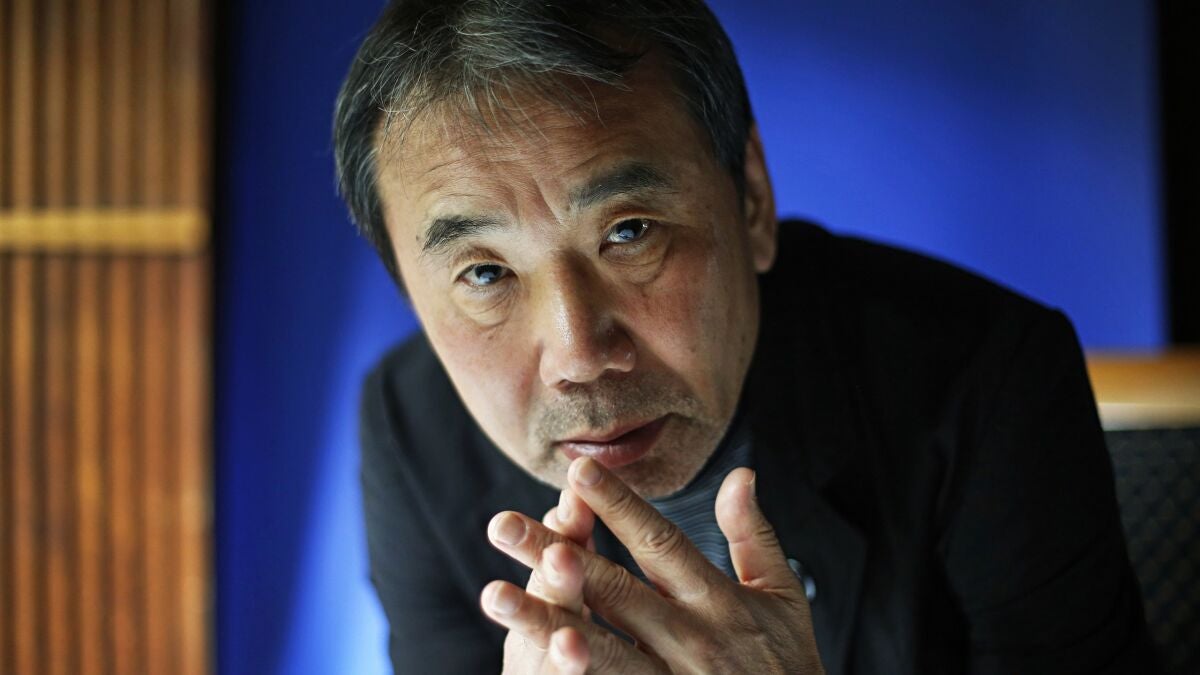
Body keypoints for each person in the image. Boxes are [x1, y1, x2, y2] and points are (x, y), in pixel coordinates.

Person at [333, 1, 1156, 672]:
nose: (580, 355)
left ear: (752, 199)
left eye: (630, 231)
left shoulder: (988, 378)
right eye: (484, 272)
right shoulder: (411, 429)